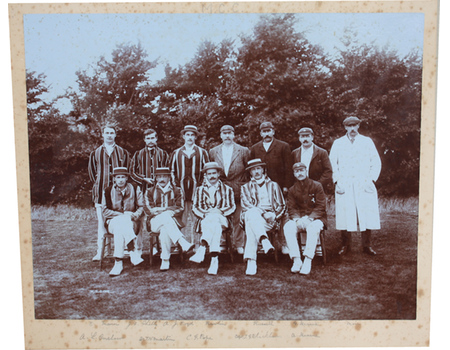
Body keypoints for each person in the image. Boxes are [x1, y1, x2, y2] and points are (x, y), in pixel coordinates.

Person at [329, 116, 382, 256]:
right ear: (345, 127)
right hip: (344, 183)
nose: (352, 129)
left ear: (358, 126)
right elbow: (332, 164)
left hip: (363, 182)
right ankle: (345, 245)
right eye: (349, 126)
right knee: (345, 213)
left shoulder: (367, 142)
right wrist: (337, 181)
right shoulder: (338, 143)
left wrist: (371, 180)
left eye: (354, 125)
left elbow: (376, 162)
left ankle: (367, 245)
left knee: (366, 212)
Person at [88, 125, 130, 261]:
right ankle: (100, 251)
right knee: (101, 223)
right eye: (107, 133)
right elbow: (92, 173)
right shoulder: (96, 152)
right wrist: (100, 184)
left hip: (120, 194)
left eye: (112, 133)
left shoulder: (122, 152)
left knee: (122, 219)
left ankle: (124, 249)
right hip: (101, 193)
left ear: (115, 135)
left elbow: (126, 171)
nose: (109, 135)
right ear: (103, 135)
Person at [250, 121, 292, 254]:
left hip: (278, 186)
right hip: (260, 187)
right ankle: (262, 242)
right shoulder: (255, 148)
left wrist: (285, 186)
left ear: (273, 131)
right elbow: (251, 169)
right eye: (264, 131)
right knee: (261, 212)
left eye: (269, 131)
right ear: (261, 133)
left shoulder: (283, 146)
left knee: (282, 213)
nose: (267, 133)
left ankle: (284, 243)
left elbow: (289, 169)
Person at [209, 125, 251, 254]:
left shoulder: (243, 150)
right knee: (221, 214)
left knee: (238, 217)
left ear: (234, 135)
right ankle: (222, 242)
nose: (227, 136)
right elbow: (212, 170)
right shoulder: (213, 151)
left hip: (239, 187)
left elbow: (248, 171)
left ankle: (239, 244)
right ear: (221, 135)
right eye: (224, 133)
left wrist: (245, 186)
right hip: (221, 188)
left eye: (230, 133)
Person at [240, 159, 286, 275]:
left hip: (269, 219)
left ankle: (251, 261)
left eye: (258, 168)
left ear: (263, 170)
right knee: (251, 213)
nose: (256, 172)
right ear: (250, 172)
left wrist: (274, 216)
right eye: (253, 169)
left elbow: (282, 206)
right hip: (254, 216)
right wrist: (262, 213)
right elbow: (246, 205)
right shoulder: (245, 187)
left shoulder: (274, 185)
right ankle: (264, 240)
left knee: (251, 223)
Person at [189, 162, 236, 275]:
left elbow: (232, 206)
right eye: (209, 174)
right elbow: (195, 207)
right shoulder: (199, 190)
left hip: (223, 219)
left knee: (215, 218)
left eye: (214, 173)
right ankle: (214, 259)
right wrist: (205, 214)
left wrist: (220, 211)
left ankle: (203, 246)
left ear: (219, 173)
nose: (212, 176)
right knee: (214, 222)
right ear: (205, 175)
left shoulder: (227, 189)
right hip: (206, 219)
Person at [144, 167, 194, 271]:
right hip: (154, 223)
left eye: (164, 176)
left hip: (171, 222)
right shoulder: (149, 191)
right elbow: (149, 210)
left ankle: (165, 260)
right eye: (159, 176)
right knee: (166, 217)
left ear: (169, 177)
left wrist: (161, 210)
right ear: (156, 178)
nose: (162, 179)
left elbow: (180, 208)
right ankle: (182, 241)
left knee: (165, 229)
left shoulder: (177, 190)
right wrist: (168, 210)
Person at [283, 162, 327, 275]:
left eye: (301, 170)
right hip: (300, 219)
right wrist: (297, 219)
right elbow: (291, 208)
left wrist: (310, 218)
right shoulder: (292, 190)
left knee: (313, 228)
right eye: (297, 171)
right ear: (294, 174)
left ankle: (307, 260)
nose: (300, 173)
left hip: (316, 218)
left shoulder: (317, 185)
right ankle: (297, 260)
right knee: (288, 226)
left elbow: (321, 206)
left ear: (305, 171)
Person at [169, 125, 209, 246]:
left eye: (192, 135)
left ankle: (197, 245)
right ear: (183, 136)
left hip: (196, 192)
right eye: (187, 134)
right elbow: (171, 171)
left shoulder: (202, 152)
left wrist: (202, 187)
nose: (190, 137)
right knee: (181, 219)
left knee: (198, 219)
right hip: (181, 192)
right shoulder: (176, 153)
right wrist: (176, 187)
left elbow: (207, 170)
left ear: (195, 137)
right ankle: (182, 246)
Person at [101, 167, 144, 276]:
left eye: (123, 177)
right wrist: (122, 215)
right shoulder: (107, 191)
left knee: (121, 226)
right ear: (114, 179)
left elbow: (142, 207)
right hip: (112, 222)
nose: (120, 180)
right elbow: (105, 211)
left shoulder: (134, 188)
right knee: (121, 220)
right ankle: (132, 251)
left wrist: (134, 215)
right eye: (118, 177)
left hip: (132, 222)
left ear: (126, 178)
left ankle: (118, 263)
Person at [291, 127, 333, 193]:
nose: (305, 139)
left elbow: (328, 171)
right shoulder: (294, 153)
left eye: (307, 136)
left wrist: (317, 185)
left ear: (312, 137)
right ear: (299, 138)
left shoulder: (322, 152)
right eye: (302, 136)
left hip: (317, 189)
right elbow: (291, 172)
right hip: (299, 189)